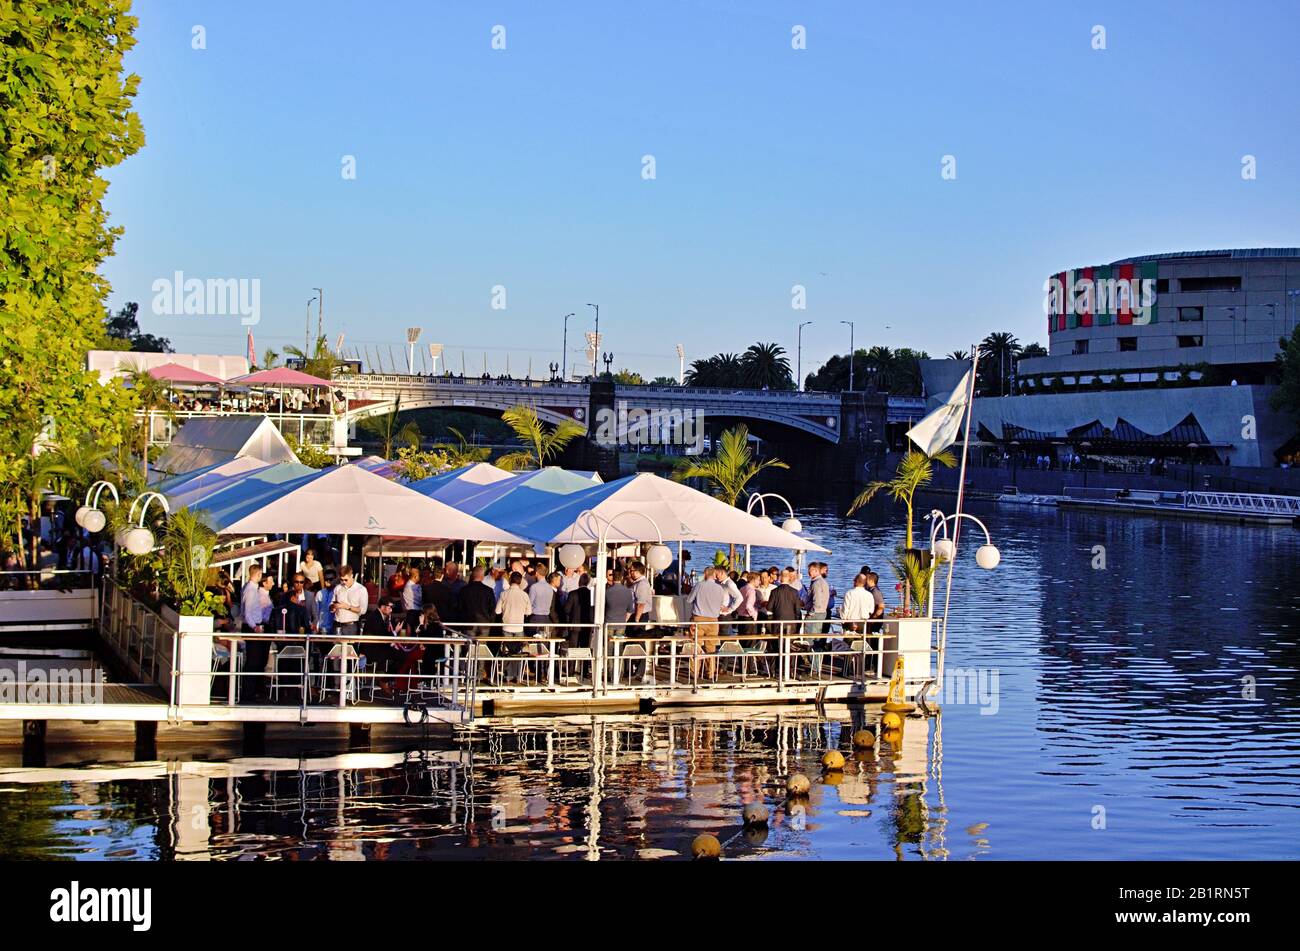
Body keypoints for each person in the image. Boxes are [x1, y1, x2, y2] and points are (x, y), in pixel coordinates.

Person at [687, 566, 728, 681]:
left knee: (696, 646)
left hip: (699, 619)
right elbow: (720, 603)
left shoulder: (699, 585)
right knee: (711, 647)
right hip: (713, 620)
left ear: (705, 574)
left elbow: (689, 599)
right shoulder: (720, 588)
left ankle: (694, 672)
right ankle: (710, 672)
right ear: (714, 575)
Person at [495, 571, 531, 681]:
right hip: (519, 626)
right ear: (520, 582)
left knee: (507, 651)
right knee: (518, 652)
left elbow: (497, 611)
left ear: (510, 580)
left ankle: (508, 675)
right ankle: (518, 676)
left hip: (506, 627)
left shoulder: (504, 594)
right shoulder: (524, 595)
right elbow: (529, 612)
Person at [458, 565, 498, 637]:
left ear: (473, 575)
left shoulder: (464, 590)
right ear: (482, 576)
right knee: (482, 646)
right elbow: (493, 608)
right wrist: (490, 621)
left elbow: (460, 608)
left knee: (469, 646)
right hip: (484, 623)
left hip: (469, 623)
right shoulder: (488, 590)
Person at [331, 566, 369, 637]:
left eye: (346, 580)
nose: (343, 582)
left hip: (351, 625)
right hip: (337, 623)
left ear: (352, 576)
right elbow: (332, 603)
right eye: (341, 580)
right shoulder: (338, 588)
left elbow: (363, 610)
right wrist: (333, 607)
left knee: (350, 647)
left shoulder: (361, 589)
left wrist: (347, 607)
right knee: (335, 647)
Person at [400, 565, 423, 632]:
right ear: (415, 577)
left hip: (411, 612)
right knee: (414, 632)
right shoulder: (413, 587)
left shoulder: (410, 585)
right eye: (419, 576)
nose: (420, 578)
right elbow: (419, 599)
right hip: (414, 612)